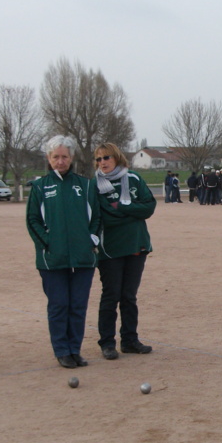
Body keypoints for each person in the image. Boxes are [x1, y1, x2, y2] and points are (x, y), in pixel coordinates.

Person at [26, 135, 101, 369]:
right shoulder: (39, 187)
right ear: (49, 159)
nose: (60, 161)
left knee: (78, 305)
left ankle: (74, 349)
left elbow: (96, 218)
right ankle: (62, 350)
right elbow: (33, 220)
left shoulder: (86, 185)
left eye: (64, 157)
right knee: (59, 305)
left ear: (72, 158)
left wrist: (91, 240)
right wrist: (48, 243)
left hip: (82, 258)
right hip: (52, 259)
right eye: (56, 157)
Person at [93, 143, 156, 359]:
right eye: (99, 159)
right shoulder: (95, 186)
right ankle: (107, 343)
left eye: (106, 157)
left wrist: (122, 207)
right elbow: (105, 217)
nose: (102, 163)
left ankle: (129, 340)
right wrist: (132, 212)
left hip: (136, 245)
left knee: (129, 296)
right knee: (111, 296)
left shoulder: (135, 179)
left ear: (117, 158)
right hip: (110, 249)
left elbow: (148, 207)